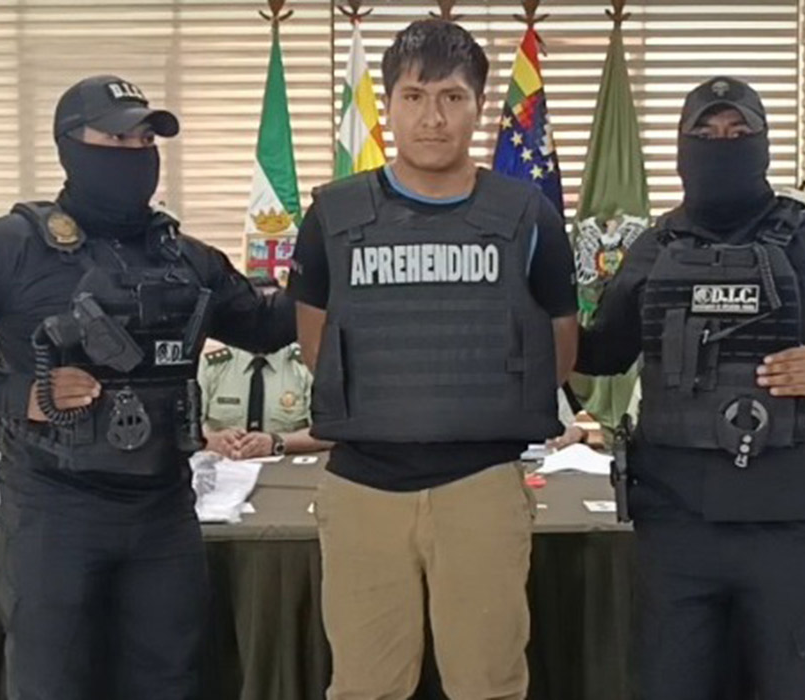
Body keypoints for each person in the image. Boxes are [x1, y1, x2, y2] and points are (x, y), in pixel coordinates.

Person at [0, 74, 295, 700]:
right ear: (70, 145)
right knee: (55, 685)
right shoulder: (8, 246)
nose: (135, 153)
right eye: (117, 138)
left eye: (145, 141)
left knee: (172, 683)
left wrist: (326, 257)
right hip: (55, 511)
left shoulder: (185, 256)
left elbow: (267, 327)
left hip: (163, 511)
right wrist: (21, 394)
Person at [576, 76, 805, 700]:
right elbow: (602, 352)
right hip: (675, 529)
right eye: (706, 133)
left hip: (785, 528)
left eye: (738, 132)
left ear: (764, 144)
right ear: (682, 147)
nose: (723, 143)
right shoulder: (655, 247)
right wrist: (531, 305)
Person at [288, 19, 578, 700]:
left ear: (479, 107)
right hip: (362, 489)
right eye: (414, 97)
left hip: (481, 486)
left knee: (487, 685)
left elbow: (559, 352)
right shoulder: (333, 216)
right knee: (365, 687)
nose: (433, 117)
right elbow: (317, 345)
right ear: (388, 105)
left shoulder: (529, 216)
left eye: (452, 97)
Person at [199, 277, 329, 458]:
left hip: (286, 469)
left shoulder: (305, 364)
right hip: (224, 467)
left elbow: (328, 434)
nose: (263, 323)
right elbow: (183, 428)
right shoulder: (212, 365)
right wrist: (211, 440)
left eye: (271, 313)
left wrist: (277, 442)